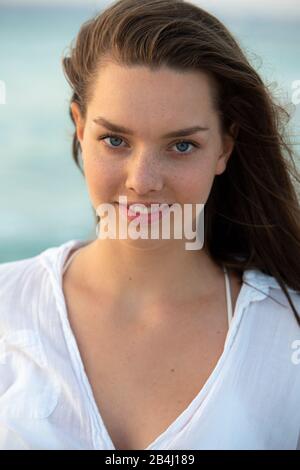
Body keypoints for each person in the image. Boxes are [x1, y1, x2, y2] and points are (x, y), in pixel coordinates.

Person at [0, 0, 300, 451]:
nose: (142, 181)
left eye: (181, 145)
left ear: (224, 148)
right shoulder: (7, 309)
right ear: (80, 128)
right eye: (115, 140)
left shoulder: (288, 333)